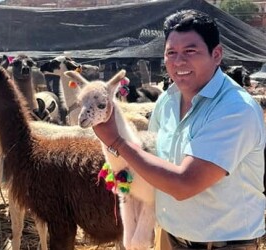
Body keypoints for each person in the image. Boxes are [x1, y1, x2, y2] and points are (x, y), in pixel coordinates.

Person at [93, 9, 265, 250]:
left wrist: (117, 143)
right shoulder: (168, 100)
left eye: (190, 51)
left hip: (222, 245)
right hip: (171, 238)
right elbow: (150, 160)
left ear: (216, 54)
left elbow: (185, 184)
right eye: (171, 53)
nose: (178, 61)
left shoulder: (235, 110)